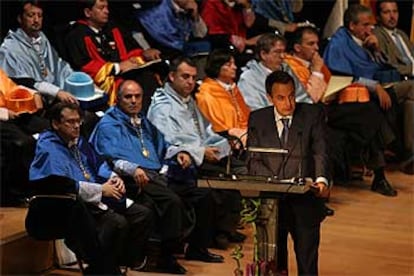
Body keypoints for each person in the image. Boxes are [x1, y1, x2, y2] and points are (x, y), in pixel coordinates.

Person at [89, 79, 223, 274]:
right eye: (128, 97)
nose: (134, 101)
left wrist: (178, 153)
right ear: (118, 99)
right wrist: (133, 168)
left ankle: (197, 249)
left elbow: (163, 145)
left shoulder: (143, 121)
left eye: (137, 96)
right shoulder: (109, 124)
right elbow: (109, 158)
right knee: (172, 201)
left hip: (156, 174)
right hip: (130, 178)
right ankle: (165, 258)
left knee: (204, 195)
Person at [29, 102, 153, 274]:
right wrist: (101, 190)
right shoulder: (49, 148)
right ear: (55, 124)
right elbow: (60, 185)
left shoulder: (78, 141)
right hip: (65, 207)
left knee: (142, 214)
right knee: (117, 223)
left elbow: (98, 162)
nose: (76, 126)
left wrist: (113, 178)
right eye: (70, 122)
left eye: (78, 121)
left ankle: (113, 264)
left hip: (94, 197)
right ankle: (102, 267)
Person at [148, 56, 246, 249]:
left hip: (199, 152)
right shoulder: (162, 105)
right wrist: (200, 152)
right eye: (185, 77)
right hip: (177, 162)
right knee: (230, 174)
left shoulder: (188, 101)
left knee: (239, 167)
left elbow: (205, 131)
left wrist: (224, 144)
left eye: (193, 77)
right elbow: (167, 141)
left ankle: (224, 229)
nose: (191, 82)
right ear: (172, 76)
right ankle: (217, 234)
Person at [287, 25, 397, 197]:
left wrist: (334, 87)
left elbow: (332, 83)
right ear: (297, 48)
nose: (317, 48)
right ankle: (382, 168)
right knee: (368, 114)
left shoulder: (317, 62)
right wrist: (316, 71)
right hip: (313, 113)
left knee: (369, 110)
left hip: (332, 105)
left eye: (317, 43)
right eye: (311, 44)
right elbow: (309, 99)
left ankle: (380, 176)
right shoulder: (291, 66)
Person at [247, 71, 329, 275]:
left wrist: (321, 179)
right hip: (272, 202)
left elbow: (321, 150)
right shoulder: (258, 119)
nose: (289, 103)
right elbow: (253, 160)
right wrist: (276, 182)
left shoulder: (311, 115)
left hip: (304, 199)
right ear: (270, 98)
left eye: (292, 95)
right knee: (275, 263)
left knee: (307, 261)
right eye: (281, 98)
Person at [65, 0, 163, 109]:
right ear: (88, 12)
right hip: (104, 80)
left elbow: (130, 50)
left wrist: (144, 54)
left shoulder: (113, 28)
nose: (106, 11)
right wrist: (116, 67)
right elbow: (84, 66)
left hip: (126, 73)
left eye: (107, 7)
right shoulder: (76, 35)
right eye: (101, 8)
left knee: (150, 75)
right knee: (134, 85)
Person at [0, 0, 78, 105]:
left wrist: (78, 79)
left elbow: (59, 66)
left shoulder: (42, 39)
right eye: (31, 15)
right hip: (31, 101)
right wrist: (56, 92)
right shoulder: (10, 47)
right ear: (20, 18)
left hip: (55, 94)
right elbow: (22, 82)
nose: (36, 20)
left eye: (40, 16)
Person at [373, 0, 414, 173]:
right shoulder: (377, 35)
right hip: (392, 82)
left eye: (395, 11)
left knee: (410, 103)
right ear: (378, 15)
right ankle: (411, 152)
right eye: (386, 12)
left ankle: (410, 155)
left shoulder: (403, 35)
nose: (392, 16)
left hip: (409, 83)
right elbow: (387, 64)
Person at [0, 68, 48, 205]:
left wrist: (34, 93)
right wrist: (5, 113)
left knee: (49, 130)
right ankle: (18, 193)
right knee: (23, 143)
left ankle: (53, 179)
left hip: (15, 111)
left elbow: (11, 87)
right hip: (3, 117)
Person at [196, 49, 251, 147]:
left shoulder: (233, 88)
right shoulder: (206, 91)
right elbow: (214, 124)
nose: (234, 67)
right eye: (228, 65)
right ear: (217, 67)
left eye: (234, 64)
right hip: (222, 140)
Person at [238, 32, 304, 111]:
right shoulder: (248, 79)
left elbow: (303, 98)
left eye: (283, 52)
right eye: (277, 52)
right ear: (263, 54)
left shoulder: (288, 71)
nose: (282, 56)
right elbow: (255, 111)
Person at [134, 0, 208, 59]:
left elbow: (201, 35)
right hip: (163, 54)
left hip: (187, 53)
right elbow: (136, 33)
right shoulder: (154, 10)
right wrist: (146, 49)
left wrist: (195, 16)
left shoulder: (188, 9)